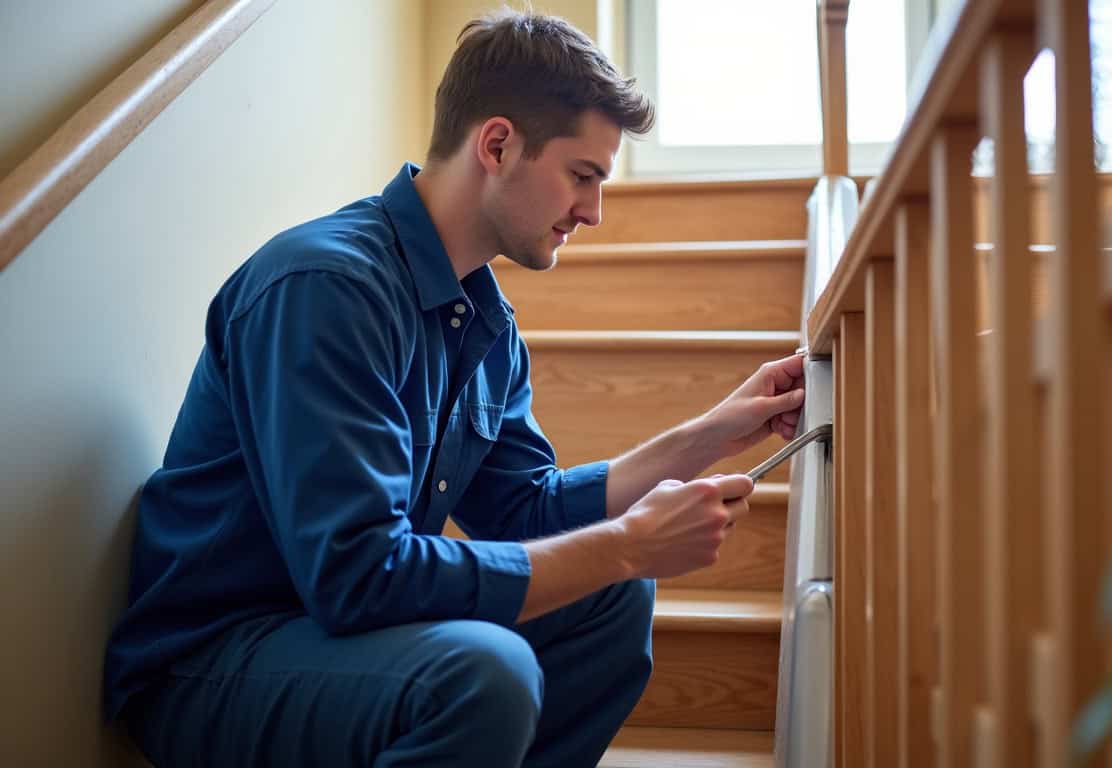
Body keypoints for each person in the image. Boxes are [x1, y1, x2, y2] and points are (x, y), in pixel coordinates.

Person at [103, 9, 805, 767]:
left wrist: (712, 435)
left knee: (610, 599)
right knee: (484, 672)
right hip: (213, 660)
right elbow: (358, 577)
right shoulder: (327, 286)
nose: (594, 213)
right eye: (583, 176)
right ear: (498, 144)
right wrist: (628, 545)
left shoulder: (484, 323)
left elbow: (525, 510)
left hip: (338, 636)